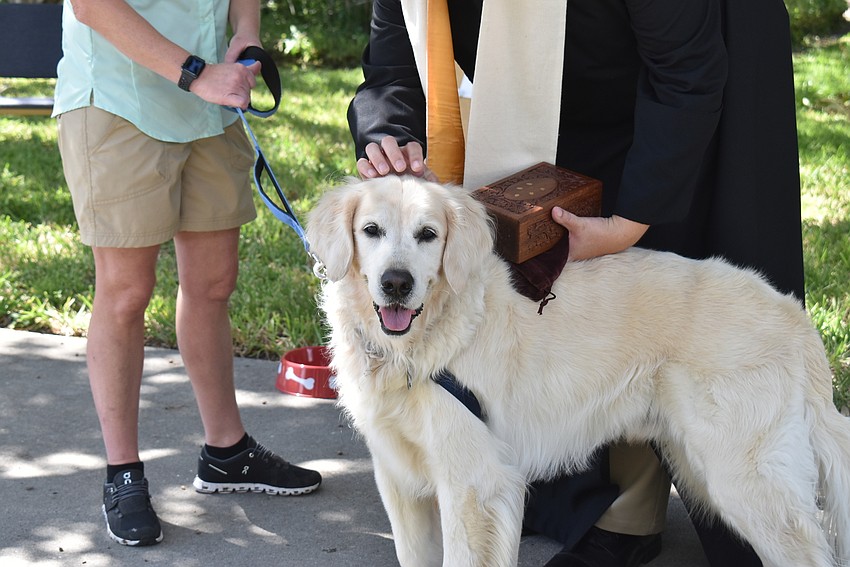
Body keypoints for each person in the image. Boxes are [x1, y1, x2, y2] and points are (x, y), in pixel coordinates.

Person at [346, 0, 805, 566]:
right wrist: (387, 135)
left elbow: (688, 70)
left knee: (680, 287)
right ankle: (624, 516)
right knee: (572, 287)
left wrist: (631, 219)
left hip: (698, 72)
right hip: (557, 91)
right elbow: (392, 70)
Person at [52, 0, 321, 547]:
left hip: (212, 105)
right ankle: (122, 473)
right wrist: (195, 73)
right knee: (127, 292)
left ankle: (227, 452)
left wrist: (245, 33)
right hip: (121, 100)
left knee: (214, 282)